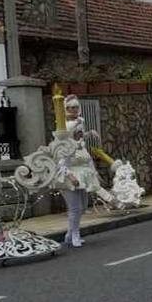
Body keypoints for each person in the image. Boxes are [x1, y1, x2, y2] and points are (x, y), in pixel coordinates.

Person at [57, 95, 102, 247]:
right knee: (75, 208)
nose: (74, 110)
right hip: (69, 174)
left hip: (82, 172)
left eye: (76, 107)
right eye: (70, 108)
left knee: (83, 207)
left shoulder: (79, 143)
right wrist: (69, 175)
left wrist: (88, 134)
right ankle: (75, 234)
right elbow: (60, 160)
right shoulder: (63, 140)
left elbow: (82, 145)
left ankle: (70, 233)